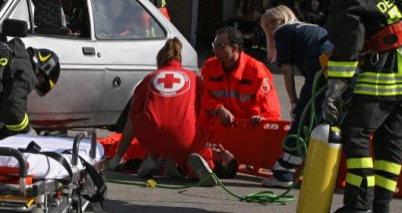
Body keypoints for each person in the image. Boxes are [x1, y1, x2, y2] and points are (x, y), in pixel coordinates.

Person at [324, 0, 402, 212]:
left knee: (355, 132)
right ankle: (381, 205)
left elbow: (350, 36)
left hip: (386, 68)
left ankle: (358, 206)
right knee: (390, 136)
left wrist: (336, 86)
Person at [107, 37, 217, 187]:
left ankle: (153, 158)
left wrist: (116, 159)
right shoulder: (195, 79)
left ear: (159, 61)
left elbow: (130, 123)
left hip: (151, 140)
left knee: (146, 120)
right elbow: (199, 112)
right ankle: (194, 166)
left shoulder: (149, 78)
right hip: (185, 140)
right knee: (195, 124)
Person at [259, 5, 332, 188]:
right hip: (340, 74)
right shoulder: (312, 28)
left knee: (302, 124)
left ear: (285, 17)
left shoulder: (284, 32)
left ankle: (284, 173)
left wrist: (293, 101)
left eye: (273, 21)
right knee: (325, 124)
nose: (270, 27)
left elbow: (287, 71)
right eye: (266, 25)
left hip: (321, 77)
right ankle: (321, 173)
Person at [201, 26, 281, 128]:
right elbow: (203, 96)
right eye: (214, 45)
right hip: (218, 128)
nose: (214, 49)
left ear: (234, 48)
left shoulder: (257, 71)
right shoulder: (209, 68)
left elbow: (272, 112)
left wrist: (263, 121)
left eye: (219, 46)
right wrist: (218, 108)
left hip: (247, 130)